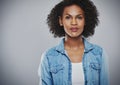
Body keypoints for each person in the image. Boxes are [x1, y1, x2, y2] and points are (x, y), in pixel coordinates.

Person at [38, 0, 109, 85]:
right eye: (68, 17)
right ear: (61, 21)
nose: (74, 23)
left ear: (85, 20)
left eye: (79, 17)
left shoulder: (99, 54)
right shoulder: (48, 57)